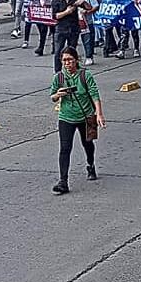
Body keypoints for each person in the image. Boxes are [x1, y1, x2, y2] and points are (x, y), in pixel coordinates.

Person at [49, 46, 106, 195]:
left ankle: (90, 164)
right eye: (64, 61)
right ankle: (63, 181)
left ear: (76, 60)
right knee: (65, 148)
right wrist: (58, 94)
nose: (67, 64)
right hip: (66, 117)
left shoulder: (85, 75)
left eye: (70, 60)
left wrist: (99, 114)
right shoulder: (59, 77)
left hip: (85, 116)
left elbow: (94, 94)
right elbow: (52, 97)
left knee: (87, 143)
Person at [51, 0, 92, 72]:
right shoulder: (56, 0)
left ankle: (73, 70)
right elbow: (55, 16)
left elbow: (89, 8)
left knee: (72, 51)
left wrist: (83, 2)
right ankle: (57, 72)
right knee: (58, 51)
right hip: (61, 28)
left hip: (73, 28)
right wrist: (66, 12)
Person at [74, 0, 100, 66]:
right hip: (74, 21)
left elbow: (95, 6)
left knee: (88, 40)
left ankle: (89, 56)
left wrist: (88, 11)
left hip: (87, 21)